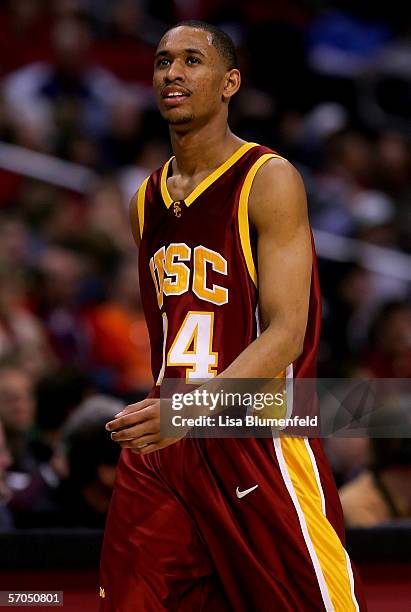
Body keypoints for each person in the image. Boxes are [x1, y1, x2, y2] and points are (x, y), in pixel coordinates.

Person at [100, 21, 367, 611]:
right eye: (163, 60)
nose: (173, 73)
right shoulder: (145, 199)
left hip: (257, 432)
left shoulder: (268, 180)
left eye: (193, 60)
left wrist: (191, 410)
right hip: (169, 438)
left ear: (230, 83)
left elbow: (287, 334)